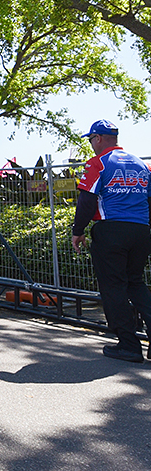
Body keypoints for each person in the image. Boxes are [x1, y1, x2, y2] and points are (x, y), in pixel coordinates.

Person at [72, 120, 151, 363]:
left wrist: (78, 231)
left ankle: (129, 345)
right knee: (136, 283)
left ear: (98, 138)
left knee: (114, 286)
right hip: (141, 230)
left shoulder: (98, 163)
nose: (91, 144)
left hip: (111, 230)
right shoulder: (142, 164)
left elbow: (87, 200)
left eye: (91, 139)